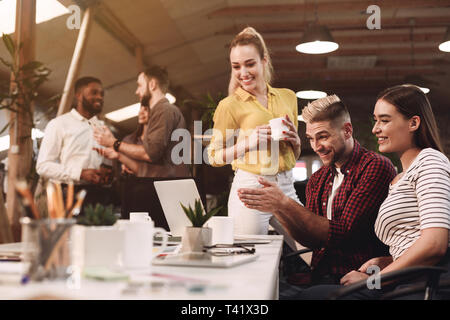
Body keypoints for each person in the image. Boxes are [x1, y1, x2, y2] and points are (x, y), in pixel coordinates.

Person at [295, 84, 450, 300]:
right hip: (401, 282)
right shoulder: (399, 178)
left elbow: (435, 244)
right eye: (376, 120)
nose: (375, 129)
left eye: (384, 120)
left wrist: (374, 280)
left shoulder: (430, 161)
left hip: (418, 287)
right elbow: (410, 240)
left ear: (413, 123)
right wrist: (387, 261)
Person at [238, 94, 397, 289]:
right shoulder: (318, 178)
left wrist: (285, 203)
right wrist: (277, 208)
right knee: (260, 287)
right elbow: (311, 239)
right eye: (310, 139)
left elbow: (342, 232)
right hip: (322, 277)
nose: (316, 147)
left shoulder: (375, 167)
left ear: (347, 131)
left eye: (322, 136)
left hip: (359, 280)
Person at [207, 27, 302, 242]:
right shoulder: (229, 105)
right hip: (251, 188)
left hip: (285, 185)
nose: (243, 73)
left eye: (250, 64)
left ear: (264, 61)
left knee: (312, 250)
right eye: (236, 67)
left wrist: (296, 143)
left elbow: (293, 156)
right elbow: (213, 156)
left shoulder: (288, 97)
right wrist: (247, 144)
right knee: (250, 256)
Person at [94, 65, 190, 178]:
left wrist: (114, 143)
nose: (137, 91)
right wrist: (121, 156)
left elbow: (149, 154)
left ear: (152, 85)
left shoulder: (164, 110)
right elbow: (152, 166)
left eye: (139, 85)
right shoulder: (160, 112)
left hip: (172, 187)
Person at [36, 76, 114, 210]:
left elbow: (109, 158)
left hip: (99, 195)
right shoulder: (59, 124)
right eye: (94, 92)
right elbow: (43, 166)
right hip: (69, 195)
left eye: (101, 94)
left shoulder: (102, 127)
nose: (100, 97)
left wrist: (106, 170)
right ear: (78, 95)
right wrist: (80, 173)